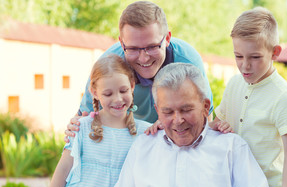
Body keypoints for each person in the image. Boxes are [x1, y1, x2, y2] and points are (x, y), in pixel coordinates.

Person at [98, 63, 273, 187]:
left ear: (206, 106)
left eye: (186, 110)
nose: (178, 120)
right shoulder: (142, 145)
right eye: (168, 112)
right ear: (157, 111)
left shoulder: (231, 146)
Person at [210, 7, 287, 187]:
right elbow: (216, 123)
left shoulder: (283, 96)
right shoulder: (234, 85)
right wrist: (219, 126)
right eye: (238, 56)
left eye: (255, 57)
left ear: (275, 52)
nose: (245, 66)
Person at [37, 54, 151, 187]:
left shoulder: (144, 133)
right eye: (108, 93)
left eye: (123, 90)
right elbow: (63, 169)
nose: (118, 99)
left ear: (132, 86)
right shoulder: (81, 127)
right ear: (94, 92)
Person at [65, 1, 213, 140]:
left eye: (152, 47)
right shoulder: (109, 67)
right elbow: (84, 117)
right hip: (130, 138)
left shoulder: (188, 62)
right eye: (133, 49)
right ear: (122, 44)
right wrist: (75, 129)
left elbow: (205, 117)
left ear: (167, 38)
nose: (144, 58)